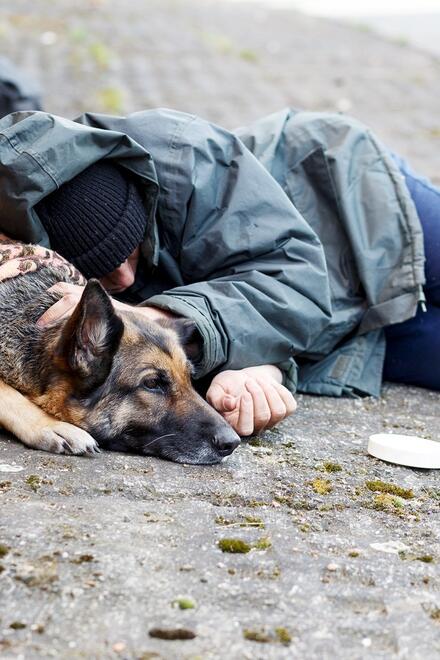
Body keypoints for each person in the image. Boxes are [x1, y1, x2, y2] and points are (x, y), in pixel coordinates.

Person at [0, 107, 434, 436]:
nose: (125, 281)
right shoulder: (29, 271)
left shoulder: (180, 153)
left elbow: (297, 276)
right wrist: (260, 372)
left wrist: (148, 319)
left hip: (353, 199)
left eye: (128, 250)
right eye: (101, 270)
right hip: (346, 331)